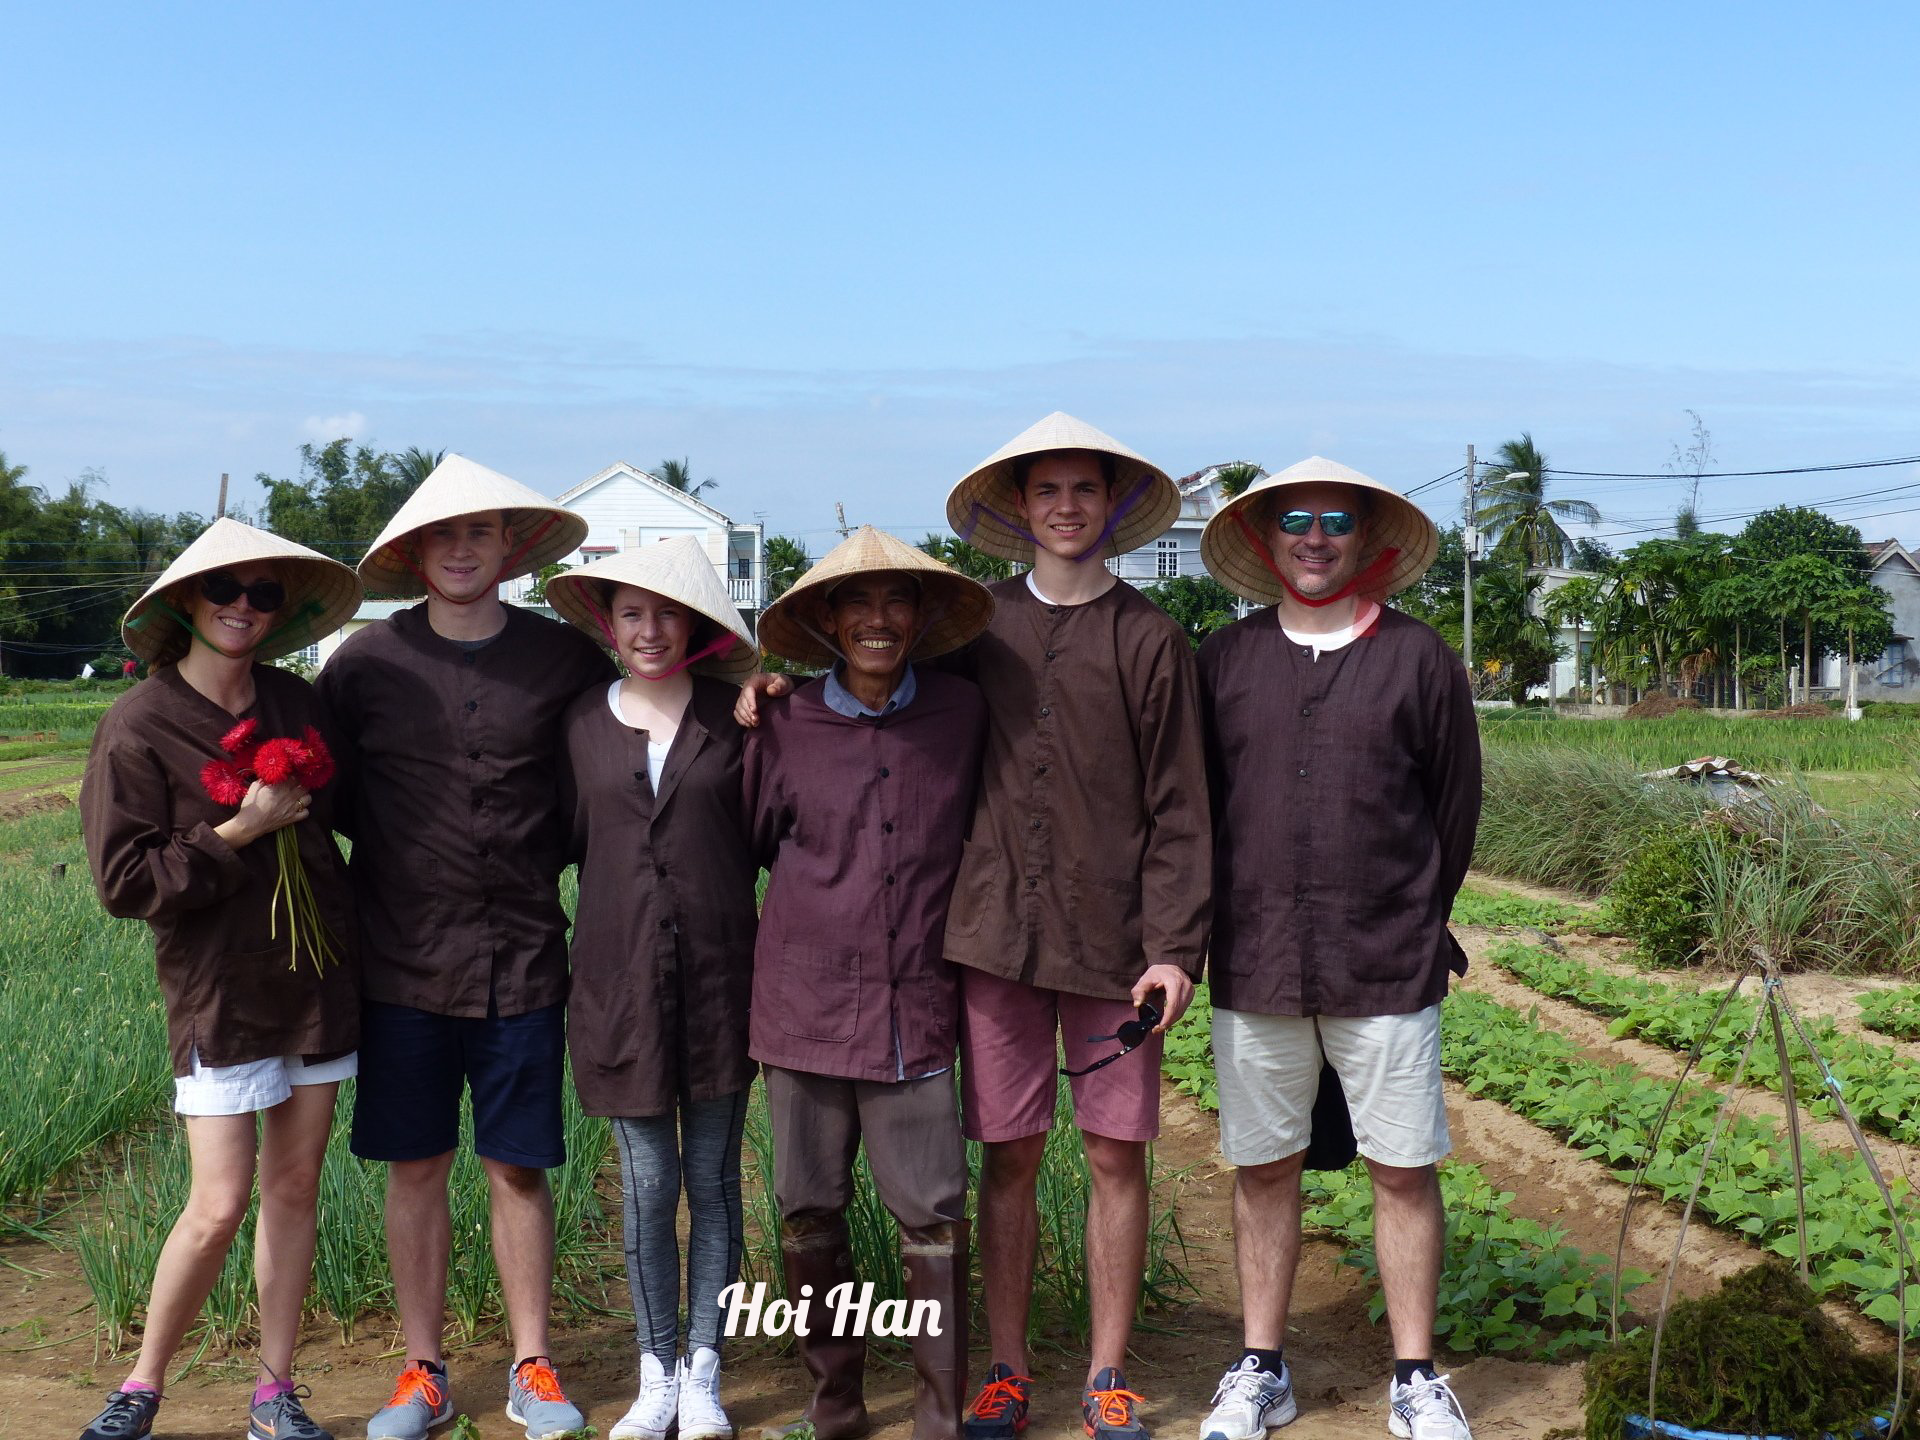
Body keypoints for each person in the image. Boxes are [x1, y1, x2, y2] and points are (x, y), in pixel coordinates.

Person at [315, 454, 613, 1440]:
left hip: (524, 952)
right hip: (400, 955)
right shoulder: (366, 664)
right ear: (412, 551)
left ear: (508, 548)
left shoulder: (563, 660)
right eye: (442, 534)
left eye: (479, 532)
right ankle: (424, 1369)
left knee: (519, 1166)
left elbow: (599, 783)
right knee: (417, 1163)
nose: (460, 548)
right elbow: (337, 799)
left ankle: (533, 1364)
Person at [1192, 457, 1482, 1440]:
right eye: (1295, 522)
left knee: (1402, 1166)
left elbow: (1454, 806)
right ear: (1266, 542)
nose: (1315, 538)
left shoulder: (1419, 659)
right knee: (1265, 1164)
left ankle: (1414, 1375)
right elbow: (1195, 810)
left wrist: (1410, 913)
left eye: (1335, 521)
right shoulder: (1223, 662)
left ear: (1368, 541)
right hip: (1257, 957)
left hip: (1386, 961)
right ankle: (1261, 1366)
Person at [78, 518, 362, 1440]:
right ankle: (143, 1385)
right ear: (185, 605)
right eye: (224, 591)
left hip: (314, 978)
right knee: (217, 1204)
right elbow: (125, 884)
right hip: (217, 989)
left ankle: (275, 1394)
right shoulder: (139, 724)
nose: (243, 606)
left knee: (293, 1190)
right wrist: (242, 827)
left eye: (264, 593)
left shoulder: (295, 702)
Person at [745, 526, 992, 1440]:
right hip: (802, 1004)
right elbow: (750, 838)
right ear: (826, 620)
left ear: (921, 619)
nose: (877, 622)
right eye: (857, 604)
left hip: (914, 1006)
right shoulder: (783, 721)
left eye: (895, 603)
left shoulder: (963, 715)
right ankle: (835, 1408)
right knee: (809, 1210)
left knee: (932, 1215)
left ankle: (938, 1418)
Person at [546, 539, 762, 1440]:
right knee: (646, 1182)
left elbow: (778, 830)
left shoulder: (740, 719)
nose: (649, 629)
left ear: (699, 628)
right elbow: (548, 837)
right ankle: (655, 1370)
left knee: (712, 1179)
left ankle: (705, 1370)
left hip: (722, 981)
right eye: (632, 612)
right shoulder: (578, 725)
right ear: (608, 621)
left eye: (668, 612)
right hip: (617, 985)